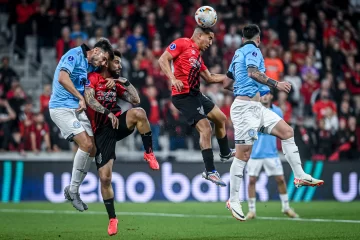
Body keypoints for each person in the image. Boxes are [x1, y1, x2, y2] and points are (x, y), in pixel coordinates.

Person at [224, 24, 323, 221]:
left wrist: (240, 88)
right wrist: (276, 84)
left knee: (287, 131)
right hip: (245, 109)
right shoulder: (253, 50)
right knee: (243, 155)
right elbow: (253, 72)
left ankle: (300, 174)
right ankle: (233, 199)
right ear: (258, 39)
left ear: (243, 38)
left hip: (256, 107)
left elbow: (228, 82)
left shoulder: (237, 53)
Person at [84, 50, 159, 236]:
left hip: (118, 124)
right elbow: (89, 99)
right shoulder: (92, 78)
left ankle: (149, 152)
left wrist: (123, 81)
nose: (119, 66)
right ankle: (112, 218)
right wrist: (107, 113)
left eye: (120, 63)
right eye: (116, 62)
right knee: (105, 178)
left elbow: (135, 99)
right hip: (101, 132)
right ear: (106, 63)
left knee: (139, 112)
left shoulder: (114, 83)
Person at [158, 27, 235, 187]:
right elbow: (162, 59)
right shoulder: (182, 43)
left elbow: (210, 77)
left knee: (221, 118)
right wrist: (173, 79)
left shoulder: (198, 56)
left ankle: (225, 153)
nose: (211, 43)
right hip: (183, 96)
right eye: (209, 38)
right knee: (206, 129)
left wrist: (231, 77)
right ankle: (210, 171)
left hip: (196, 95)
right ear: (200, 35)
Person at [49, 38, 114, 212]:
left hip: (77, 109)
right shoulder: (74, 54)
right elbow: (63, 78)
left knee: (92, 149)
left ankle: (72, 190)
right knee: (85, 144)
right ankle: (74, 191)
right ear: (96, 51)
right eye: (103, 59)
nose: (103, 63)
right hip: (61, 107)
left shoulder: (90, 66)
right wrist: (79, 97)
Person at [246, 91, 298, 219]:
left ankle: (286, 207)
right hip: (255, 153)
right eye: (261, 93)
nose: (264, 96)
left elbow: (282, 129)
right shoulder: (253, 110)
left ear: (271, 96)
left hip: (271, 153)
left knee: (280, 179)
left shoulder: (278, 111)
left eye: (266, 94)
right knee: (252, 180)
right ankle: (252, 210)